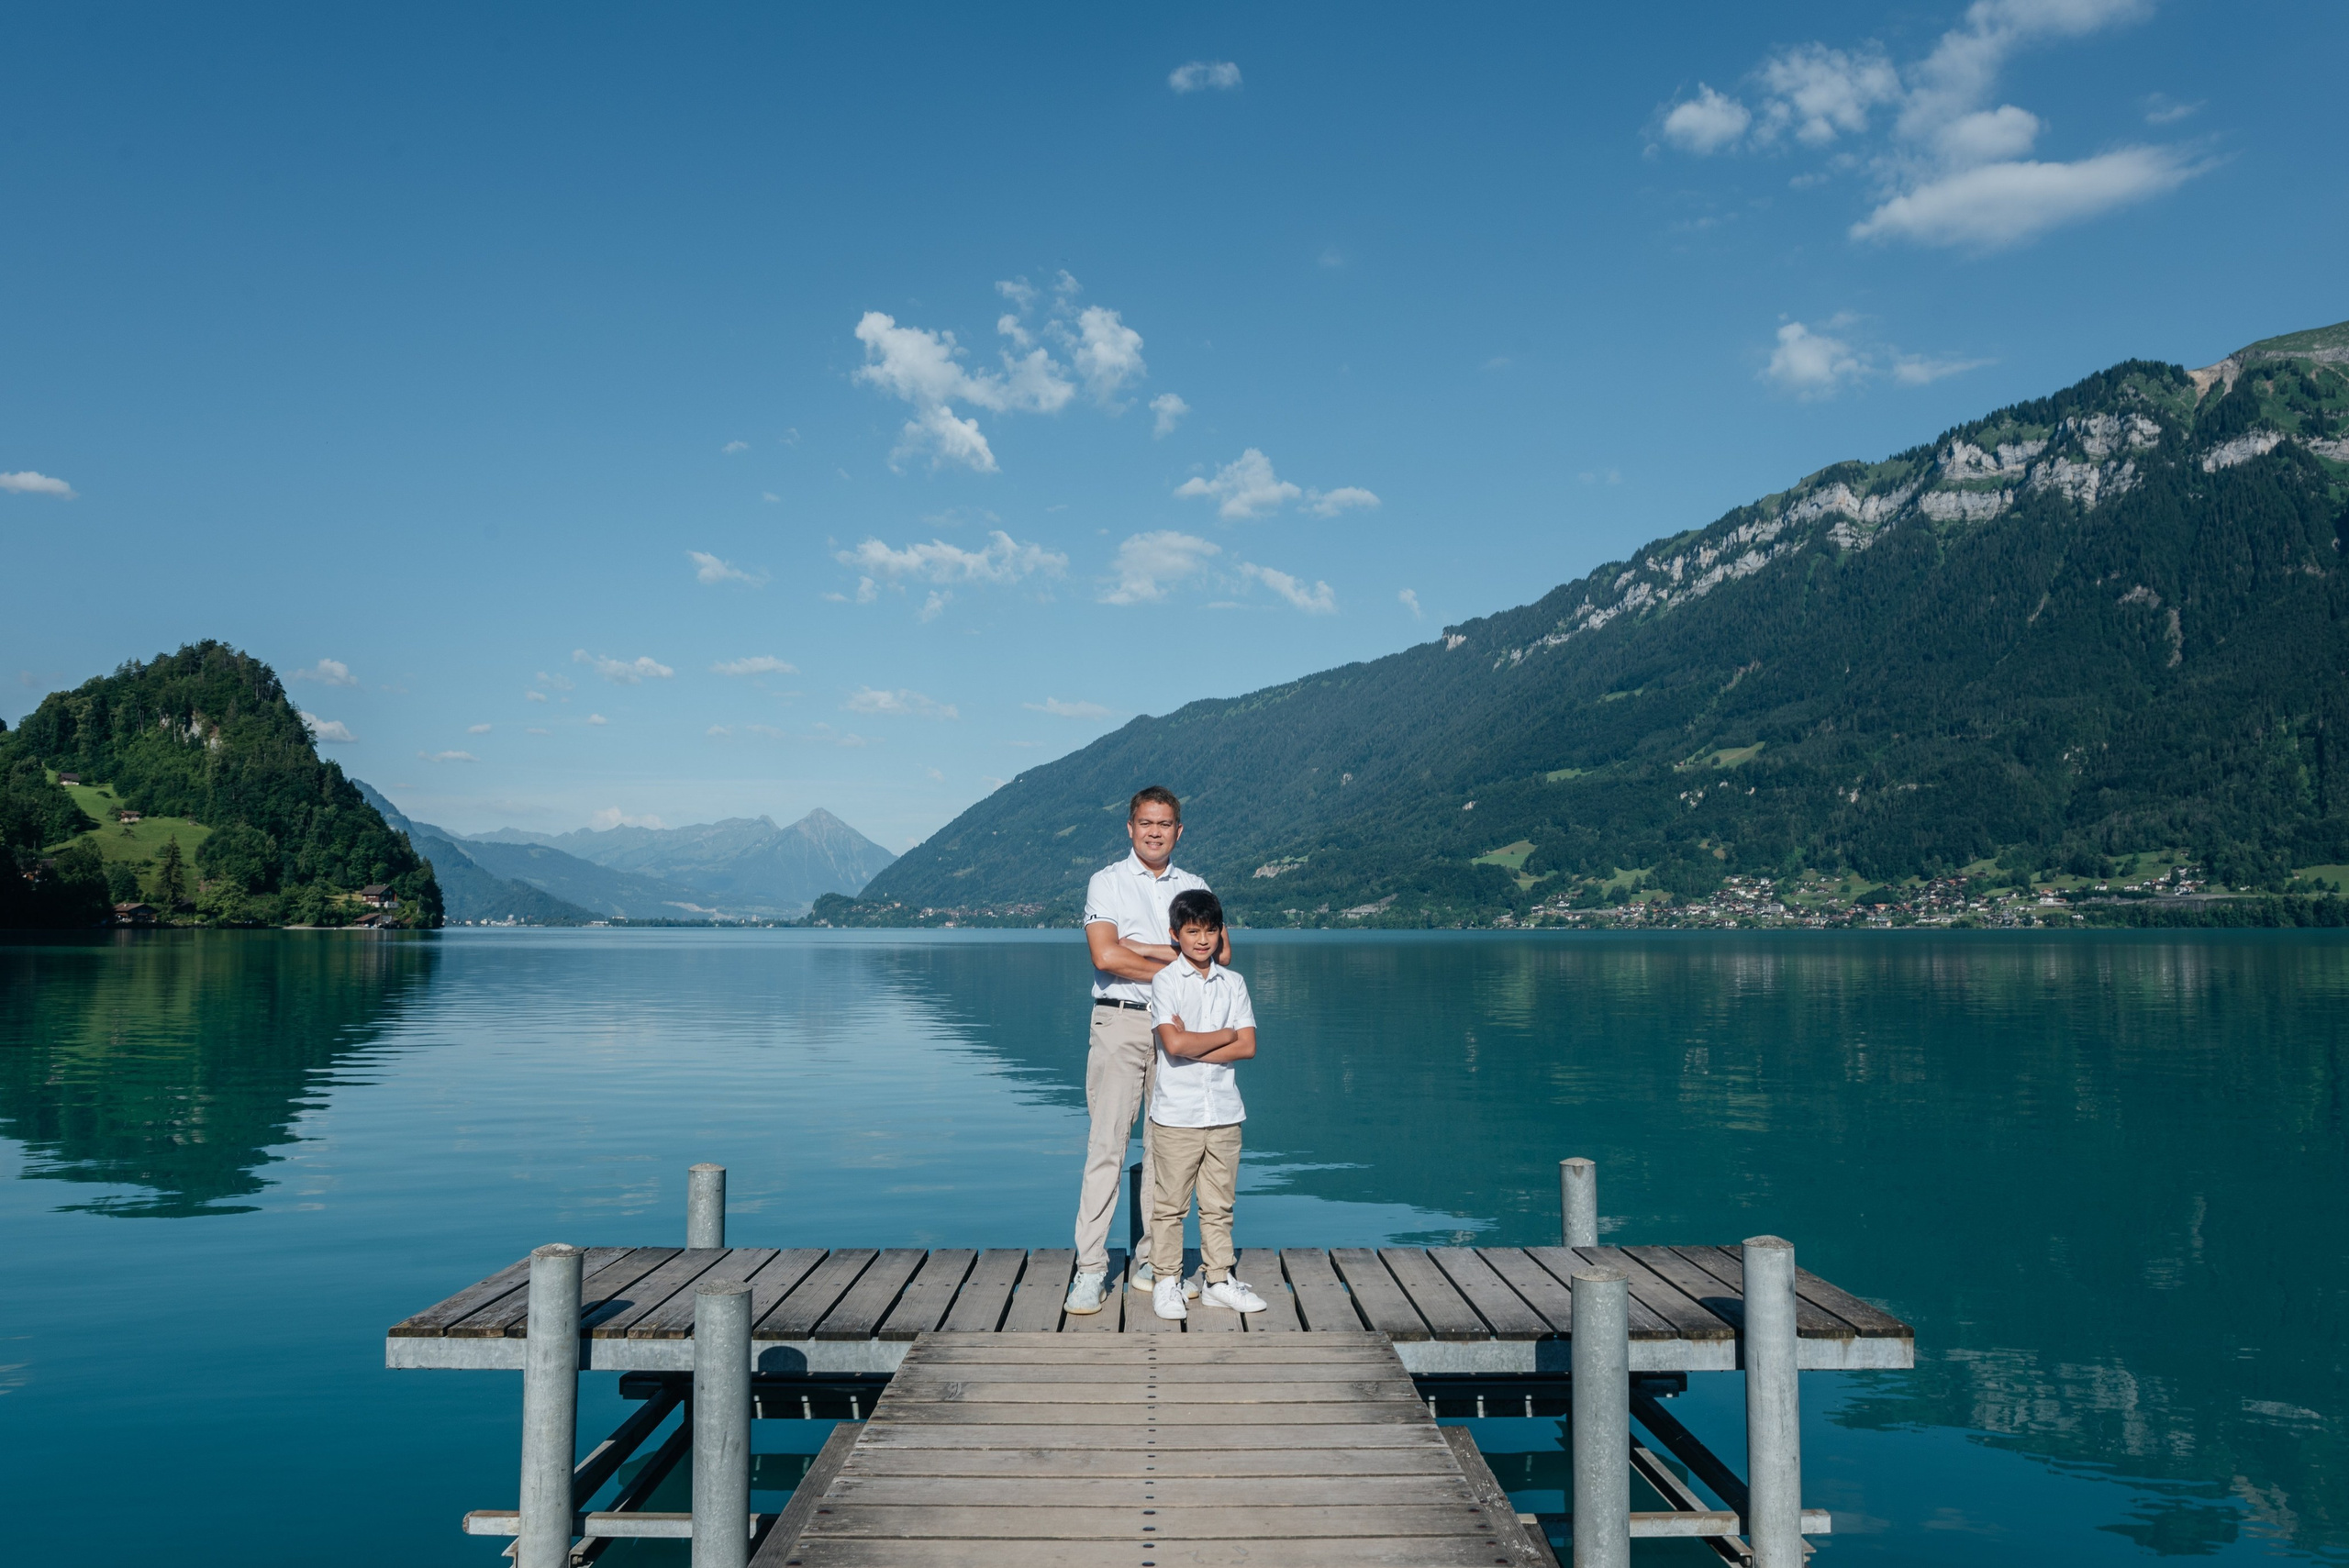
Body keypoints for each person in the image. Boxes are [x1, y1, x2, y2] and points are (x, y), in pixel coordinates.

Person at [1063, 785, 1225, 1315]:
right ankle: (1090, 1270)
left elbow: (1220, 952)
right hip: (1120, 1023)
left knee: (1167, 1150)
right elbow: (1107, 956)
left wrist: (1144, 948)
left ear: (1180, 831)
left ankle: (1156, 1262)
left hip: (1175, 1027)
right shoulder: (1106, 882)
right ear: (1129, 828)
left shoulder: (1195, 885)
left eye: (1165, 823)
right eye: (1145, 823)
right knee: (1106, 1147)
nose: (1154, 831)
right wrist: (1179, 958)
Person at [1143, 888, 1266, 1320]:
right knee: (1169, 1206)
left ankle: (1217, 1280)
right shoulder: (1165, 981)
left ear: (1219, 933)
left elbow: (1248, 1046)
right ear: (1175, 934)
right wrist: (1223, 1036)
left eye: (1210, 931)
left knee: (1219, 1204)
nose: (1202, 940)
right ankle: (1166, 1281)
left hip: (1225, 1113)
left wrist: (1197, 1043)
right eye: (1192, 931)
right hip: (1177, 1114)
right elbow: (1172, 1043)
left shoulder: (1233, 983)